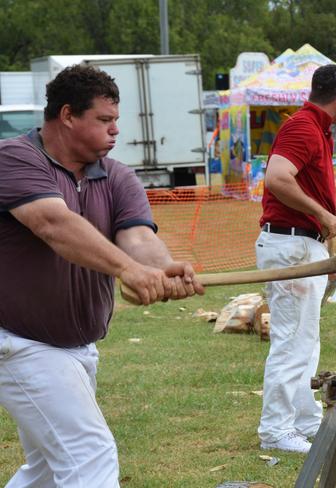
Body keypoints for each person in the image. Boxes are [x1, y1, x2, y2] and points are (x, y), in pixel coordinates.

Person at [0, 65, 204, 487]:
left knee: (44, 468)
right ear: (68, 115)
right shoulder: (14, 160)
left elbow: (136, 237)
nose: (115, 131)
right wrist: (129, 270)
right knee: (89, 455)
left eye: (116, 121)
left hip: (79, 346)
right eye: (104, 120)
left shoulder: (116, 174)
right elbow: (54, 224)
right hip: (20, 343)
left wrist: (160, 268)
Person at [256, 64, 336, 454]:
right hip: (291, 243)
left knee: (305, 341)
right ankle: (275, 429)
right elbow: (277, 178)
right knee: (291, 341)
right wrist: (326, 217)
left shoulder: (315, 128)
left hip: (301, 243)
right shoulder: (302, 127)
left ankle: (303, 419)